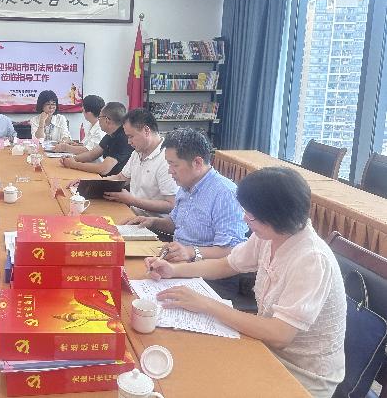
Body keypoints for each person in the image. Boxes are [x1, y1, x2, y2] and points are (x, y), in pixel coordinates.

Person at [145, 167, 346, 397]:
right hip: (263, 347)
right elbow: (227, 264)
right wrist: (174, 270)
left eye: (251, 216)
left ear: (276, 218)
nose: (244, 219)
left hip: (300, 375)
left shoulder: (311, 259)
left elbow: (280, 335)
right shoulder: (270, 236)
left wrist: (206, 304)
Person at [124, 128, 247, 297]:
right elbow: (177, 224)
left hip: (212, 278)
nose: (170, 171)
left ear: (197, 162)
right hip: (178, 264)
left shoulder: (225, 194)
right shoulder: (185, 185)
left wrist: (191, 251)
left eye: (174, 165)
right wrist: (152, 222)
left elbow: (232, 250)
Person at [101, 108, 178, 215]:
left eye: (131, 136)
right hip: (133, 214)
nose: (129, 142)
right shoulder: (137, 152)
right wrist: (90, 183)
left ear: (146, 130)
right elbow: (121, 178)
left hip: (153, 222)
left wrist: (131, 200)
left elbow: (171, 205)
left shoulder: (167, 159)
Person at [60, 101, 133, 176]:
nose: (98, 120)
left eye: (99, 117)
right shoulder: (110, 134)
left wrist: (73, 164)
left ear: (107, 120)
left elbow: (103, 169)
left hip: (115, 181)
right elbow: (92, 155)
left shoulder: (123, 138)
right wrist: (73, 158)